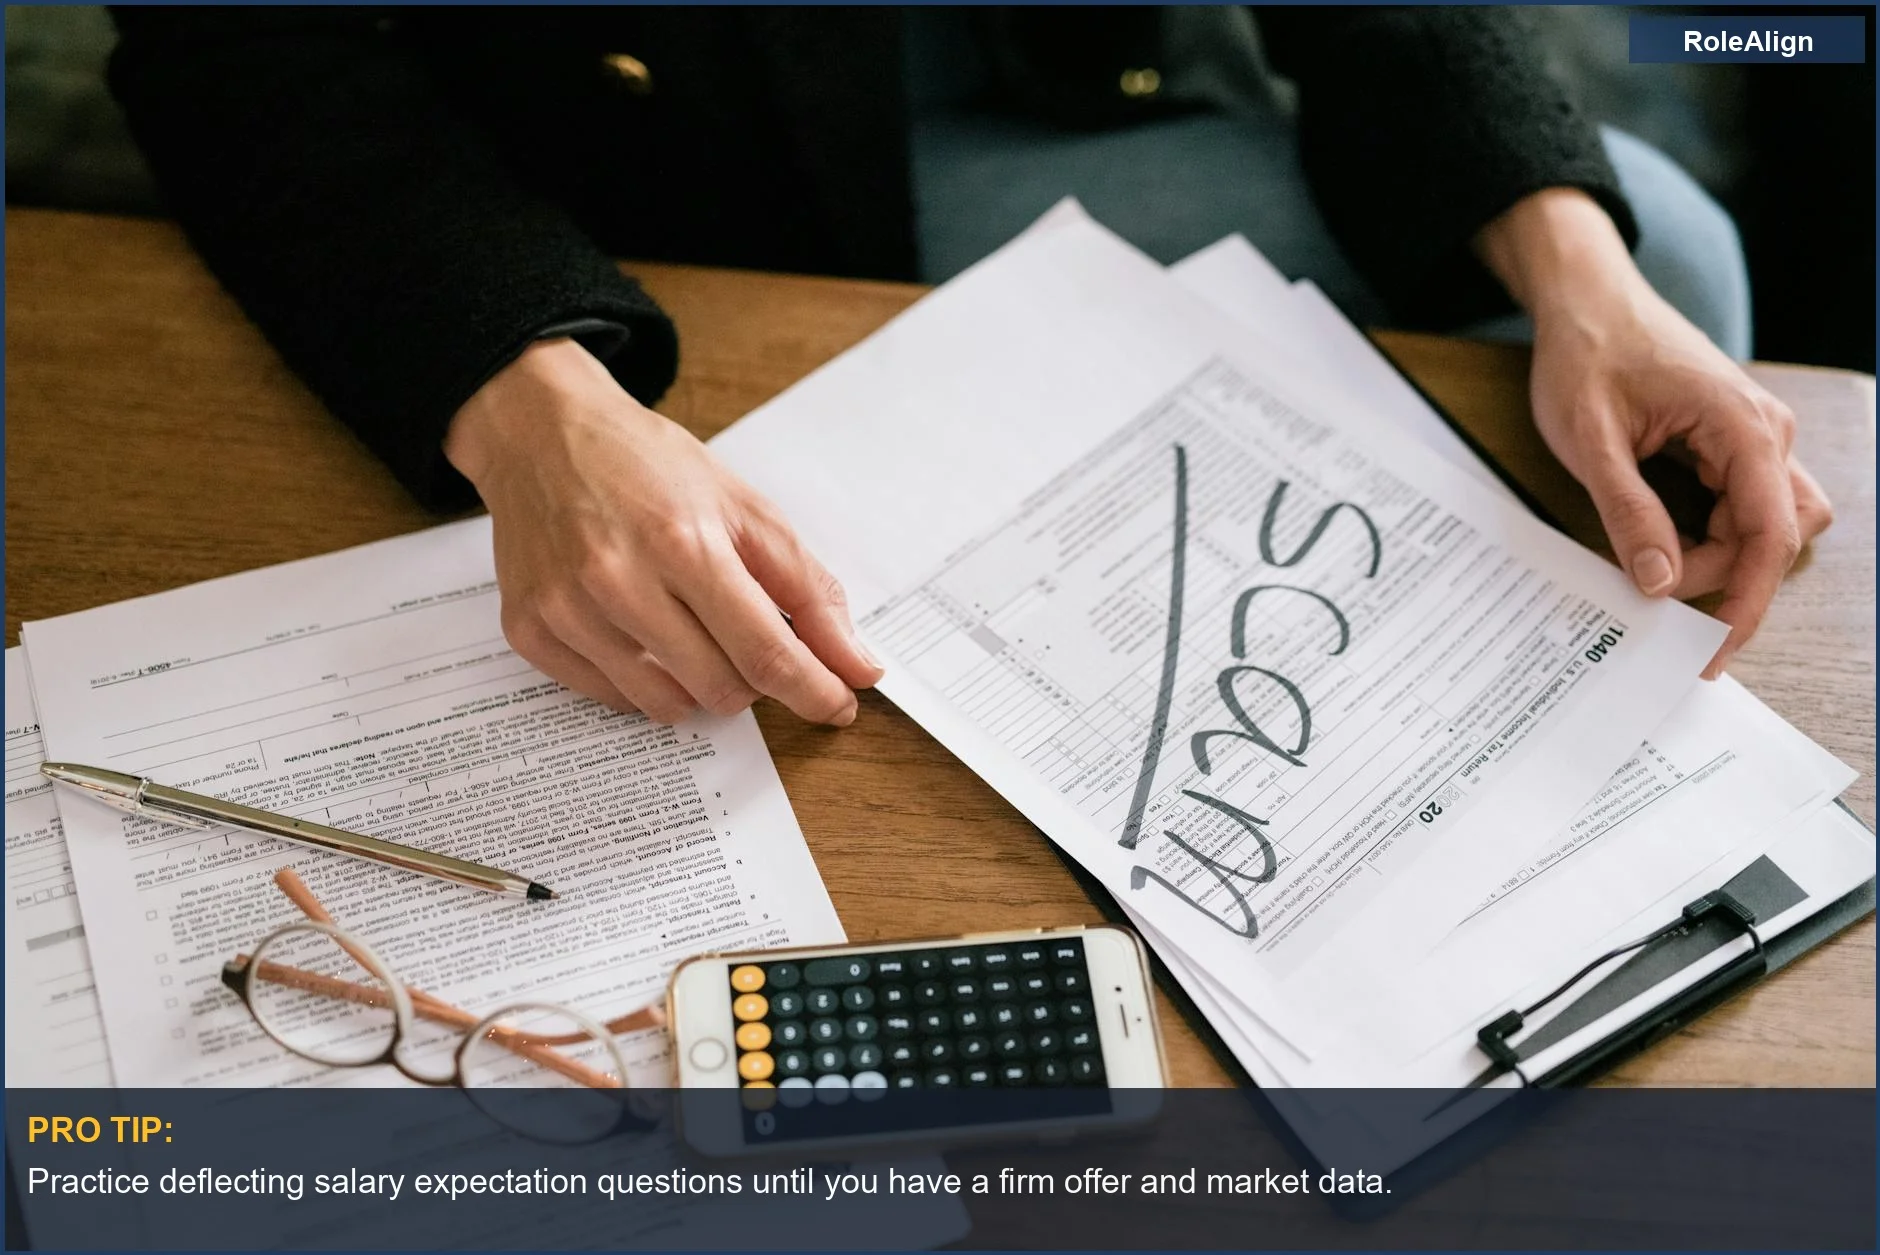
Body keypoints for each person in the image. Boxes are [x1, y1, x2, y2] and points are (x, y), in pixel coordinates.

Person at [106, 6, 1831, 729]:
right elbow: (233, 50)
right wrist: (525, 390)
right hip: (638, 158)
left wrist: (1567, 251)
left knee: (1660, 255)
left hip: (1080, 81)